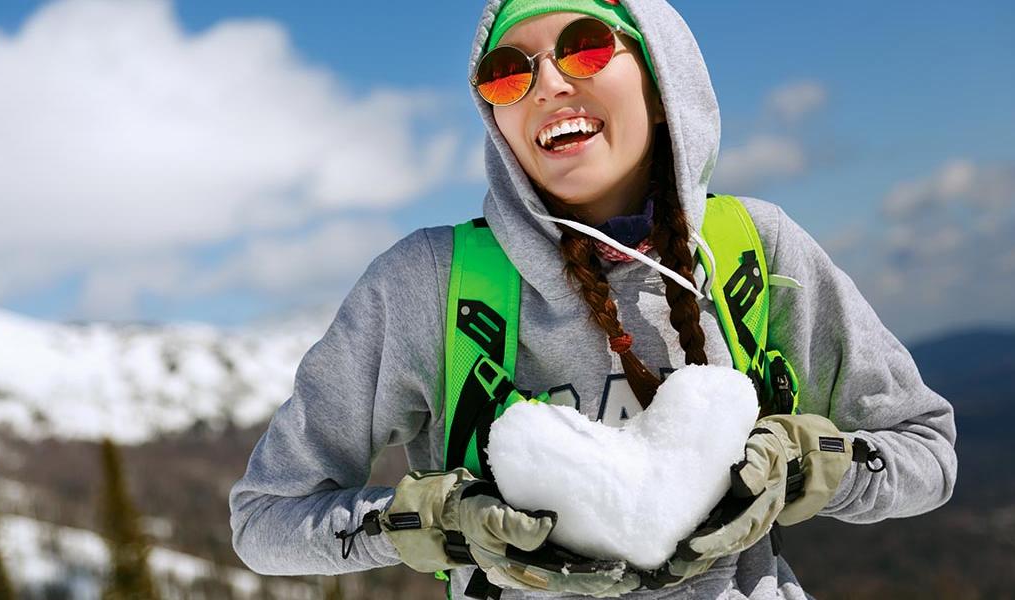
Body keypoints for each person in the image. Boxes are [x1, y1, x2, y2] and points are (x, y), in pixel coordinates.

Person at [228, 0, 958, 598]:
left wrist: (800, 467)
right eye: (507, 73)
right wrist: (440, 523)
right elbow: (266, 520)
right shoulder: (427, 283)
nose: (546, 84)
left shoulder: (754, 252)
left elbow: (925, 453)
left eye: (583, 46)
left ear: (664, 80)